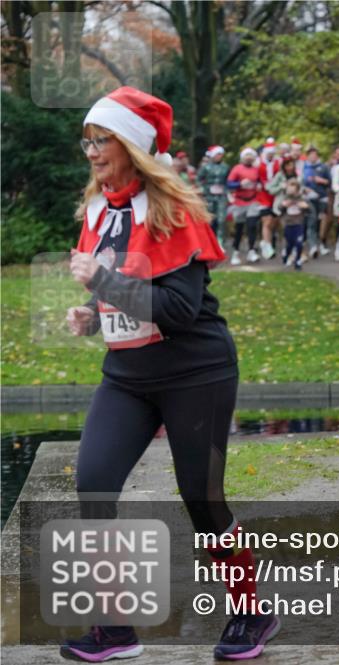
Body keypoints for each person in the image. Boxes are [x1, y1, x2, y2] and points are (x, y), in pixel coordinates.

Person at [64, 87, 278, 661]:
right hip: (128, 375)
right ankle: (115, 628)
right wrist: (92, 315)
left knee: (201, 499)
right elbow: (123, 294)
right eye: (86, 139)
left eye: (101, 139)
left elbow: (180, 310)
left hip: (196, 371)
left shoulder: (173, 214)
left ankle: (251, 613)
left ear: (132, 145)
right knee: (94, 482)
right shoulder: (95, 211)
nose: (91, 151)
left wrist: (101, 285)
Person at [226, 147, 265, 265]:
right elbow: (229, 184)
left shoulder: (256, 169)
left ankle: (251, 250)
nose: (248, 158)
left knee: (252, 225)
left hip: (253, 200)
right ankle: (236, 252)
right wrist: (239, 184)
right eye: (246, 156)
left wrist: (259, 185)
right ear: (242, 157)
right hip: (239, 201)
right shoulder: (237, 169)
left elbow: (261, 181)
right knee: (239, 228)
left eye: (250, 156)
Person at [302, 146, 332, 258]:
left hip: (322, 198)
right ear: (307, 156)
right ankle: (313, 246)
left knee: (322, 222)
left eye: (315, 154)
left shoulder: (323, 167)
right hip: (309, 199)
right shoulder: (303, 167)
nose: (313, 157)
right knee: (312, 221)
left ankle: (322, 244)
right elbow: (299, 183)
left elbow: (330, 182)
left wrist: (322, 181)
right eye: (311, 154)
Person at [274, 178, 310, 270]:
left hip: (298, 224)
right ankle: (287, 254)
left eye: (293, 188)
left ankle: (298, 260)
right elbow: (279, 209)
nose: (290, 191)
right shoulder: (285, 198)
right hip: (288, 224)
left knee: (299, 243)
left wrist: (305, 207)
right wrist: (283, 205)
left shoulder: (301, 199)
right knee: (289, 243)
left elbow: (308, 210)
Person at [197, 145, 229, 244]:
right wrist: (202, 189)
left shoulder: (225, 167)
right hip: (209, 196)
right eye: (218, 154)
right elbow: (198, 179)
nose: (220, 156)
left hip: (221, 196)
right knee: (209, 219)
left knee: (221, 219)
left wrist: (228, 191)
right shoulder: (205, 167)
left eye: (221, 154)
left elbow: (229, 180)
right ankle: (209, 240)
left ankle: (220, 241)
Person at [257, 137, 280, 260]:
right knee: (267, 220)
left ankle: (266, 241)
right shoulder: (258, 164)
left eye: (272, 153)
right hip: (263, 196)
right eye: (269, 153)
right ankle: (267, 245)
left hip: (275, 196)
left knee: (274, 221)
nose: (271, 155)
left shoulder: (278, 163)